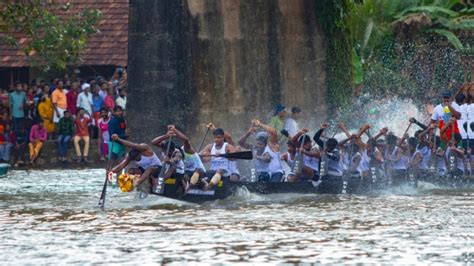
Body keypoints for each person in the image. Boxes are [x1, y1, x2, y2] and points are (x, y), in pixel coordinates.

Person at [166, 125, 206, 190]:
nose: (178, 156)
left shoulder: (187, 150)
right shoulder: (174, 154)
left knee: (198, 170)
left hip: (200, 172)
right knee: (183, 175)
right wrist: (166, 136)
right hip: (188, 173)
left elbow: (186, 140)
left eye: (179, 154)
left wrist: (175, 130)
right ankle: (182, 187)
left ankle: (189, 187)